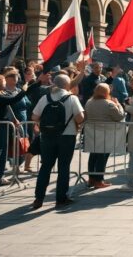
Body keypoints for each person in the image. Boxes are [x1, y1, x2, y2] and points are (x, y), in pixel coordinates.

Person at [30, 74, 85, 210]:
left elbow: (34, 116)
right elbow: (80, 118)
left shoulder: (45, 98)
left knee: (45, 166)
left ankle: (38, 198)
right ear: (67, 85)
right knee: (63, 167)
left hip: (47, 136)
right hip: (67, 136)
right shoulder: (72, 98)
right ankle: (61, 199)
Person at [0, 74, 27, 186]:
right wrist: (24, 90)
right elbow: (14, 99)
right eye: (3, 81)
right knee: (2, 151)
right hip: (1, 127)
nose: (5, 83)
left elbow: (8, 104)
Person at [84, 83, 125, 189]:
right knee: (102, 157)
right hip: (105, 134)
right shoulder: (109, 104)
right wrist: (118, 105)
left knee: (93, 156)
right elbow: (119, 116)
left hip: (92, 133)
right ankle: (99, 180)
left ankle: (91, 178)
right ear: (106, 92)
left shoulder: (89, 102)